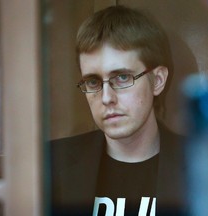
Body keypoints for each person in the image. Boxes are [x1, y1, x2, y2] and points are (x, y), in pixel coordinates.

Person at [51, 5, 187, 216]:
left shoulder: (203, 166)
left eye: (122, 77)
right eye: (93, 81)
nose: (106, 98)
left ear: (157, 80)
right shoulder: (51, 165)